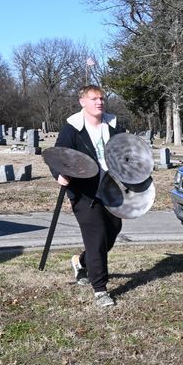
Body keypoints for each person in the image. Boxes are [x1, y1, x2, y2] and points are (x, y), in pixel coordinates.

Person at [54, 84, 124, 308]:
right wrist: (58, 174)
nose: (99, 102)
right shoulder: (72, 129)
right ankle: (100, 289)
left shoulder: (113, 125)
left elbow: (125, 152)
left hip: (110, 188)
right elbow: (58, 156)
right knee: (96, 235)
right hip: (83, 191)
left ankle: (81, 261)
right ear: (82, 102)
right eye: (94, 98)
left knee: (112, 231)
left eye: (102, 98)